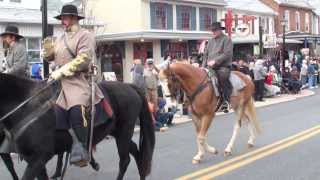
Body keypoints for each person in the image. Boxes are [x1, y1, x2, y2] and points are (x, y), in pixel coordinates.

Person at [42, 4, 104, 167]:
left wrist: (61, 71)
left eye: (66, 17)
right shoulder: (61, 39)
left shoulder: (85, 35)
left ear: (75, 18)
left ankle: (82, 149)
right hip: (59, 81)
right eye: (62, 17)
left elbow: (83, 59)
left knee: (77, 109)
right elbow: (52, 59)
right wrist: (48, 52)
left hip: (78, 80)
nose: (63, 20)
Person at [203, 22, 233, 107]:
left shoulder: (227, 39)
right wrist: (203, 66)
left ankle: (226, 100)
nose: (213, 32)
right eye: (212, 30)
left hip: (222, 66)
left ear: (220, 30)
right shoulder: (210, 41)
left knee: (222, 77)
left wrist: (215, 61)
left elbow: (227, 54)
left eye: (215, 30)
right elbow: (205, 54)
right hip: (209, 67)